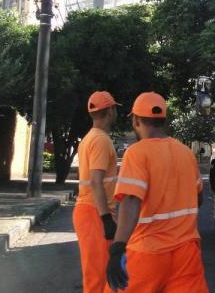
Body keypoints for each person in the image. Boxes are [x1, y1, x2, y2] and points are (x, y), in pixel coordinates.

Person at [106, 92, 208, 293]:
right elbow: (199, 199)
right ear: (163, 120)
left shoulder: (136, 153)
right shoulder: (186, 153)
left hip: (148, 252)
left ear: (136, 121)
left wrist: (118, 247)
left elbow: (131, 201)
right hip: (187, 253)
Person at [73, 90, 121, 293]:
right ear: (110, 111)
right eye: (115, 109)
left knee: (99, 273)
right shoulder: (101, 140)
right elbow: (96, 181)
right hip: (94, 212)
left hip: (90, 210)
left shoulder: (89, 138)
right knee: (98, 275)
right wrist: (105, 218)